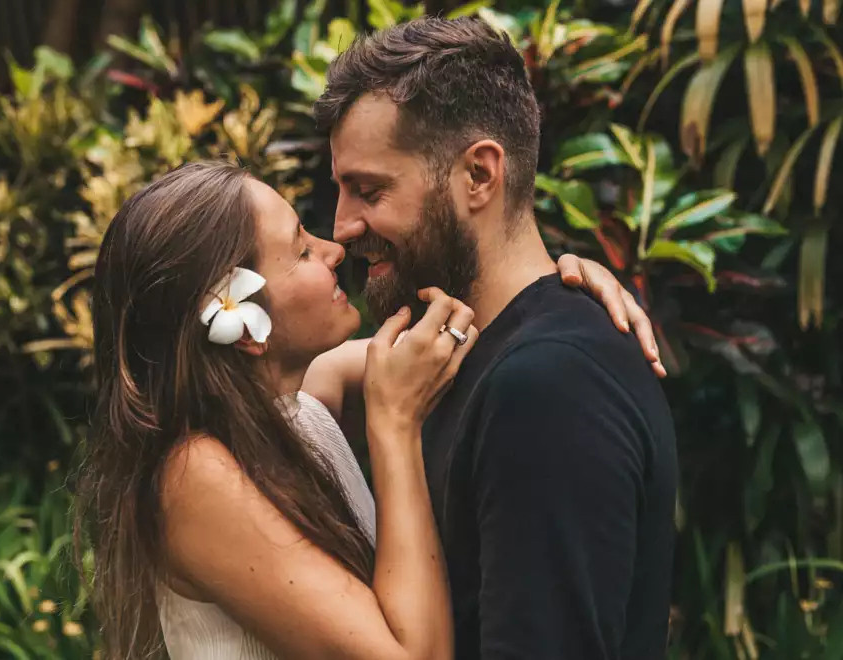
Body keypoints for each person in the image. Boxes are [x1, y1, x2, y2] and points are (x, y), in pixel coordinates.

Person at [72, 160, 660, 659]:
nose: (334, 250)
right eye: (301, 249)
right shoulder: (194, 474)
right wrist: (394, 426)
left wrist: (566, 285)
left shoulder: (293, 404)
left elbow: (464, 327)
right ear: (244, 326)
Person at [317, 16, 678, 660]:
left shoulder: (549, 386)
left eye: (369, 191)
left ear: (480, 176)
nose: (342, 226)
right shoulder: (455, 362)